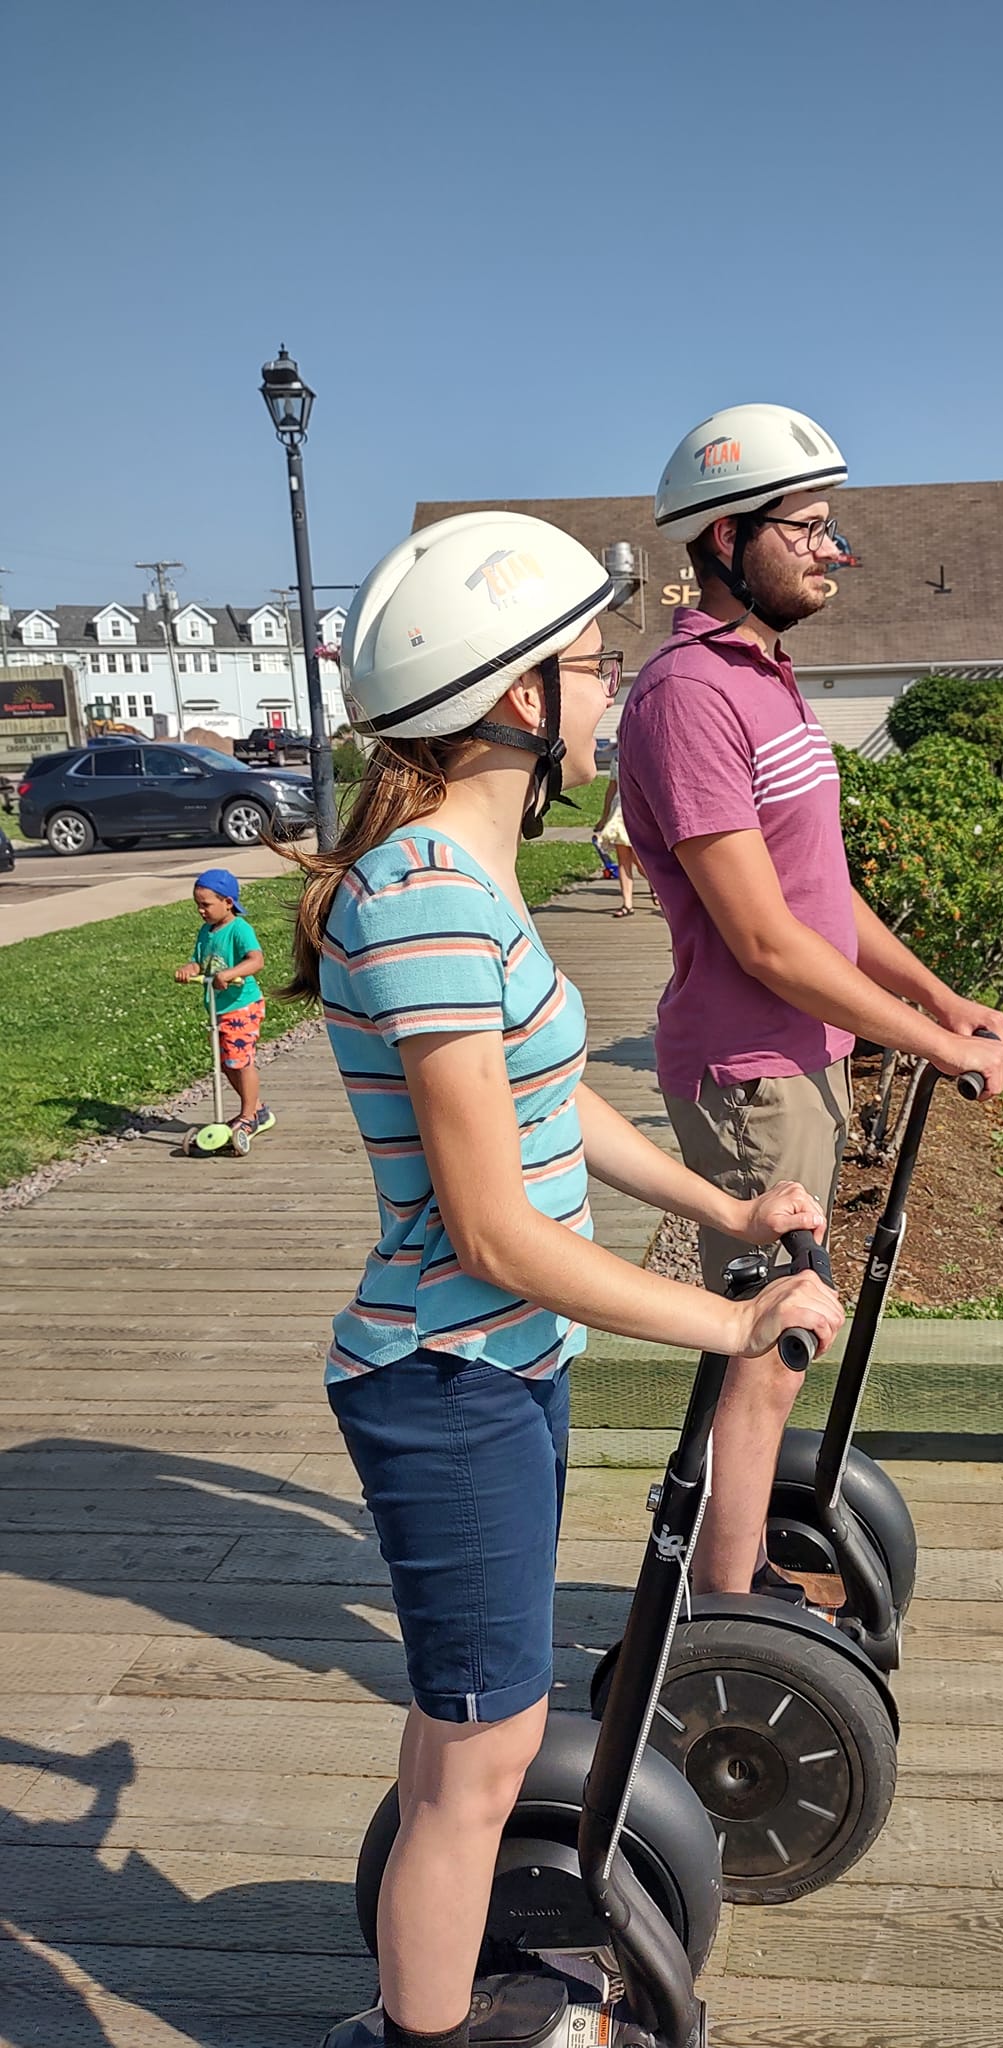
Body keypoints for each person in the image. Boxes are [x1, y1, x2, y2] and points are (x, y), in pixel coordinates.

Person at [285, 512, 842, 2048]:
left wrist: (721, 1202)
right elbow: (493, 1234)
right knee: (477, 1762)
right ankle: (421, 2032)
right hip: (445, 1378)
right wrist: (731, 1318)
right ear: (520, 697)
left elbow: (553, 1104)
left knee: (469, 1733)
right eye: (596, 665)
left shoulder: (464, 880)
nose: (615, 691)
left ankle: (436, 1998)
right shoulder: (425, 896)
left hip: (498, 1367)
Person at [619, 403, 1003, 1602]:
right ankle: (730, 1616)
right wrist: (933, 1043)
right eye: (806, 527)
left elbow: (820, 897)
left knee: (786, 1334)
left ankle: (737, 1573)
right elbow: (762, 938)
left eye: (832, 526)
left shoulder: (766, 677)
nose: (831, 550)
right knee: (772, 1344)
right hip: (751, 1070)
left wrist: (939, 997)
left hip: (803, 1058)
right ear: (726, 537)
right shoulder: (690, 694)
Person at [172, 867, 274, 1153]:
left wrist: (230, 973)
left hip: (242, 1006)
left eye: (206, 904)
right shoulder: (206, 932)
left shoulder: (240, 929)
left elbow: (256, 961)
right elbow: (199, 962)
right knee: (225, 1062)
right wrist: (189, 969)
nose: (200, 910)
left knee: (240, 1061)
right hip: (218, 1009)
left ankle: (248, 1116)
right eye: (197, 905)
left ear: (228, 902)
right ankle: (257, 1109)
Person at [593, 754, 648, 916]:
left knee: (640, 860)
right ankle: (627, 903)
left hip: (638, 812)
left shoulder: (644, 755)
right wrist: (604, 817)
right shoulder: (616, 759)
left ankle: (657, 886)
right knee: (623, 859)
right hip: (619, 814)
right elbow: (612, 789)